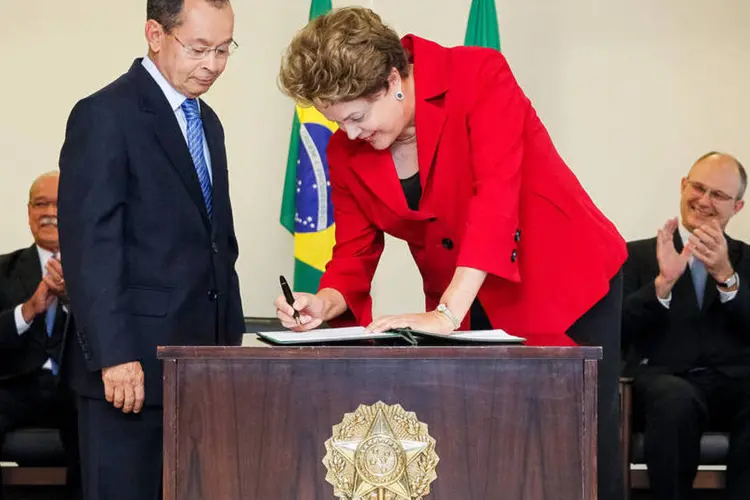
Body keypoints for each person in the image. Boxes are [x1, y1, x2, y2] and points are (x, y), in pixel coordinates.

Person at [274, 7, 626, 499]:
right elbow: (353, 255)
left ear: (393, 80)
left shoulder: (478, 75)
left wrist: (445, 312)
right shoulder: (345, 151)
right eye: (337, 121)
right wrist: (324, 300)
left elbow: (496, 199)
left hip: (561, 281)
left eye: (356, 116)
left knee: (574, 446)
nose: (350, 133)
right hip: (463, 298)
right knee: (485, 449)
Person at [57, 1, 244, 498]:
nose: (213, 64)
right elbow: (90, 245)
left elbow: (217, 244)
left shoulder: (210, 123)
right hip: (131, 372)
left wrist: (232, 345)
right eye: (200, 48)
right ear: (155, 34)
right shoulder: (104, 114)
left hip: (206, 368)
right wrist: (115, 355)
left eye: (224, 49)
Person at [622, 151, 750, 500]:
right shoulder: (634, 257)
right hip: (664, 384)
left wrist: (726, 277)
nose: (704, 201)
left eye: (719, 195)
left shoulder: (747, 260)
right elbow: (616, 331)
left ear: (736, 207)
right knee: (675, 399)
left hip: (733, 385)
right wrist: (661, 284)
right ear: (683, 187)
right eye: (698, 188)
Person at [0, 172, 80, 499]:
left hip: (78, 386)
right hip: (16, 385)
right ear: (29, 213)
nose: (49, 212)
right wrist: (29, 310)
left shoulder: (99, 269)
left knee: (103, 424)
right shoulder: (4, 268)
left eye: (59, 204)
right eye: (40, 204)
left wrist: (70, 301)